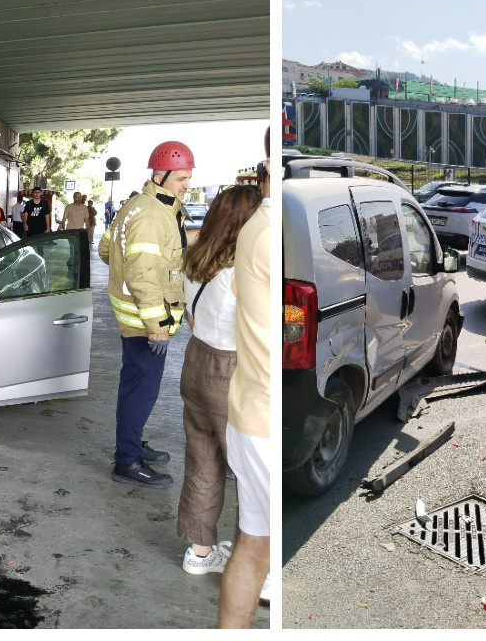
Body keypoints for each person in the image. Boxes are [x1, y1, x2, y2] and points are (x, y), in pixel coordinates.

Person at [176, 184, 263, 576]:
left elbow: (193, 319)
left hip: (195, 361)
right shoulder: (241, 272)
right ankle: (258, 571)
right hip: (231, 369)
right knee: (252, 471)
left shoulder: (195, 260)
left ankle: (200, 552)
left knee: (202, 459)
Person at [99, 141, 194, 489]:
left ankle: (132, 444)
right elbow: (142, 274)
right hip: (145, 322)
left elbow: (106, 249)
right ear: (160, 174)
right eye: (181, 178)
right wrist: (157, 327)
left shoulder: (137, 206)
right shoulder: (154, 215)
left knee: (134, 386)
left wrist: (125, 270)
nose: (186, 185)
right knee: (142, 392)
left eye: (188, 177)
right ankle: (126, 461)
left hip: (134, 316)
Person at [218, 130, 272, 627]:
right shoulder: (275, 231)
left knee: (254, 548)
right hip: (266, 420)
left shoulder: (259, 226)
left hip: (250, 408)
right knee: (263, 551)